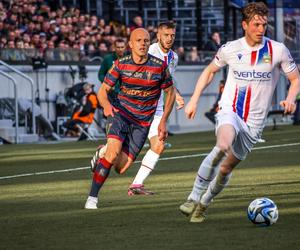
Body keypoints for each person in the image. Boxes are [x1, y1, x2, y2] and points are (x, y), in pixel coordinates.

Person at [179, 2, 300, 223]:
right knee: (222, 145)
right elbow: (209, 71)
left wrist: (291, 99)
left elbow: (295, 78)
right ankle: (193, 196)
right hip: (231, 110)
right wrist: (193, 100)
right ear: (245, 25)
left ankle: (204, 202)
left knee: (225, 169)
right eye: (256, 24)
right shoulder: (230, 49)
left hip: (254, 124)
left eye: (264, 24)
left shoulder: (277, 50)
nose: (261, 29)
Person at [84, 28, 176, 209]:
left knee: (121, 168)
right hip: (121, 114)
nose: (143, 43)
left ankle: (102, 151)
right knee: (112, 154)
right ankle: (92, 198)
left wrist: (164, 119)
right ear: (131, 44)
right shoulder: (121, 64)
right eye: (139, 40)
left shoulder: (159, 66)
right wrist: (107, 106)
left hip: (143, 122)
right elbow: (103, 91)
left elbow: (170, 93)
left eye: (146, 41)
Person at [128, 21, 185, 195]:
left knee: (159, 144)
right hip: (136, 106)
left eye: (172, 35)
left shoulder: (174, 58)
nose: (169, 38)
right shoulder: (149, 50)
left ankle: (136, 185)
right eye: (166, 35)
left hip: (157, 108)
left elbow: (168, 80)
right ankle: (103, 152)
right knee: (121, 157)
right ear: (158, 36)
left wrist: (177, 95)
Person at [98, 38, 127, 102]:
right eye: (118, 47)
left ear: (125, 47)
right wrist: (108, 84)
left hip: (126, 94)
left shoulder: (130, 59)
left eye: (122, 47)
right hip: (111, 94)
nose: (120, 49)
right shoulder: (108, 59)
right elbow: (101, 74)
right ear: (114, 47)